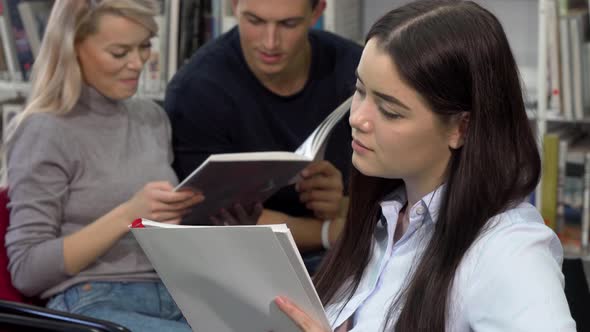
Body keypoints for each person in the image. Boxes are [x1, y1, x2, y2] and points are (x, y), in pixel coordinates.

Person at [274, 1, 577, 331]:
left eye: (390, 111)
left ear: (461, 128)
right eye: (360, 91)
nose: (357, 118)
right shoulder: (383, 220)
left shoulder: (508, 252)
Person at [4, 1, 202, 331]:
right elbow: (27, 271)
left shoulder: (151, 118)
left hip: (175, 290)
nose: (138, 63)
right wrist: (127, 216)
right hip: (94, 299)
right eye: (119, 52)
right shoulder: (46, 131)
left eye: (144, 46)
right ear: (72, 49)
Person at [165, 0, 362, 258]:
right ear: (233, 6)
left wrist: (344, 205)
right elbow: (211, 215)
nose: (270, 42)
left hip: (347, 244)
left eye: (288, 24)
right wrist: (329, 230)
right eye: (254, 21)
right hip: (244, 254)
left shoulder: (353, 68)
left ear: (317, 12)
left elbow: (400, 189)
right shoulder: (196, 90)